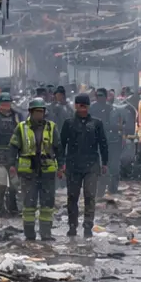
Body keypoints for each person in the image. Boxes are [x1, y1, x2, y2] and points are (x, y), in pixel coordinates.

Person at [59, 92, 109, 238]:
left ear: (88, 107)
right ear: (75, 106)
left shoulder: (96, 124)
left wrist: (104, 162)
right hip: (73, 165)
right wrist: (61, 164)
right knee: (72, 197)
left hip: (91, 165)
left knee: (90, 195)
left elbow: (103, 144)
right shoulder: (68, 123)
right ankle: (72, 226)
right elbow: (62, 145)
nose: (82, 109)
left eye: (85, 106)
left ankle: (88, 226)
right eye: (80, 106)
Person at [10, 97, 59, 241]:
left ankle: (46, 233)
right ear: (30, 112)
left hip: (47, 171)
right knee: (29, 204)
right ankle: (29, 234)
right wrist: (12, 164)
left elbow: (58, 147)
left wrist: (62, 165)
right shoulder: (21, 127)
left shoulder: (51, 127)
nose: (39, 114)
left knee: (47, 205)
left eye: (41, 111)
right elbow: (13, 147)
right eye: (36, 111)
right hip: (28, 172)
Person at [91, 87, 127, 194]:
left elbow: (121, 126)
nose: (99, 98)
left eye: (101, 96)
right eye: (98, 96)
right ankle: (100, 191)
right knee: (100, 168)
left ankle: (112, 190)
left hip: (113, 142)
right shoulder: (92, 109)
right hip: (98, 143)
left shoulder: (114, 109)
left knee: (114, 168)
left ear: (106, 97)